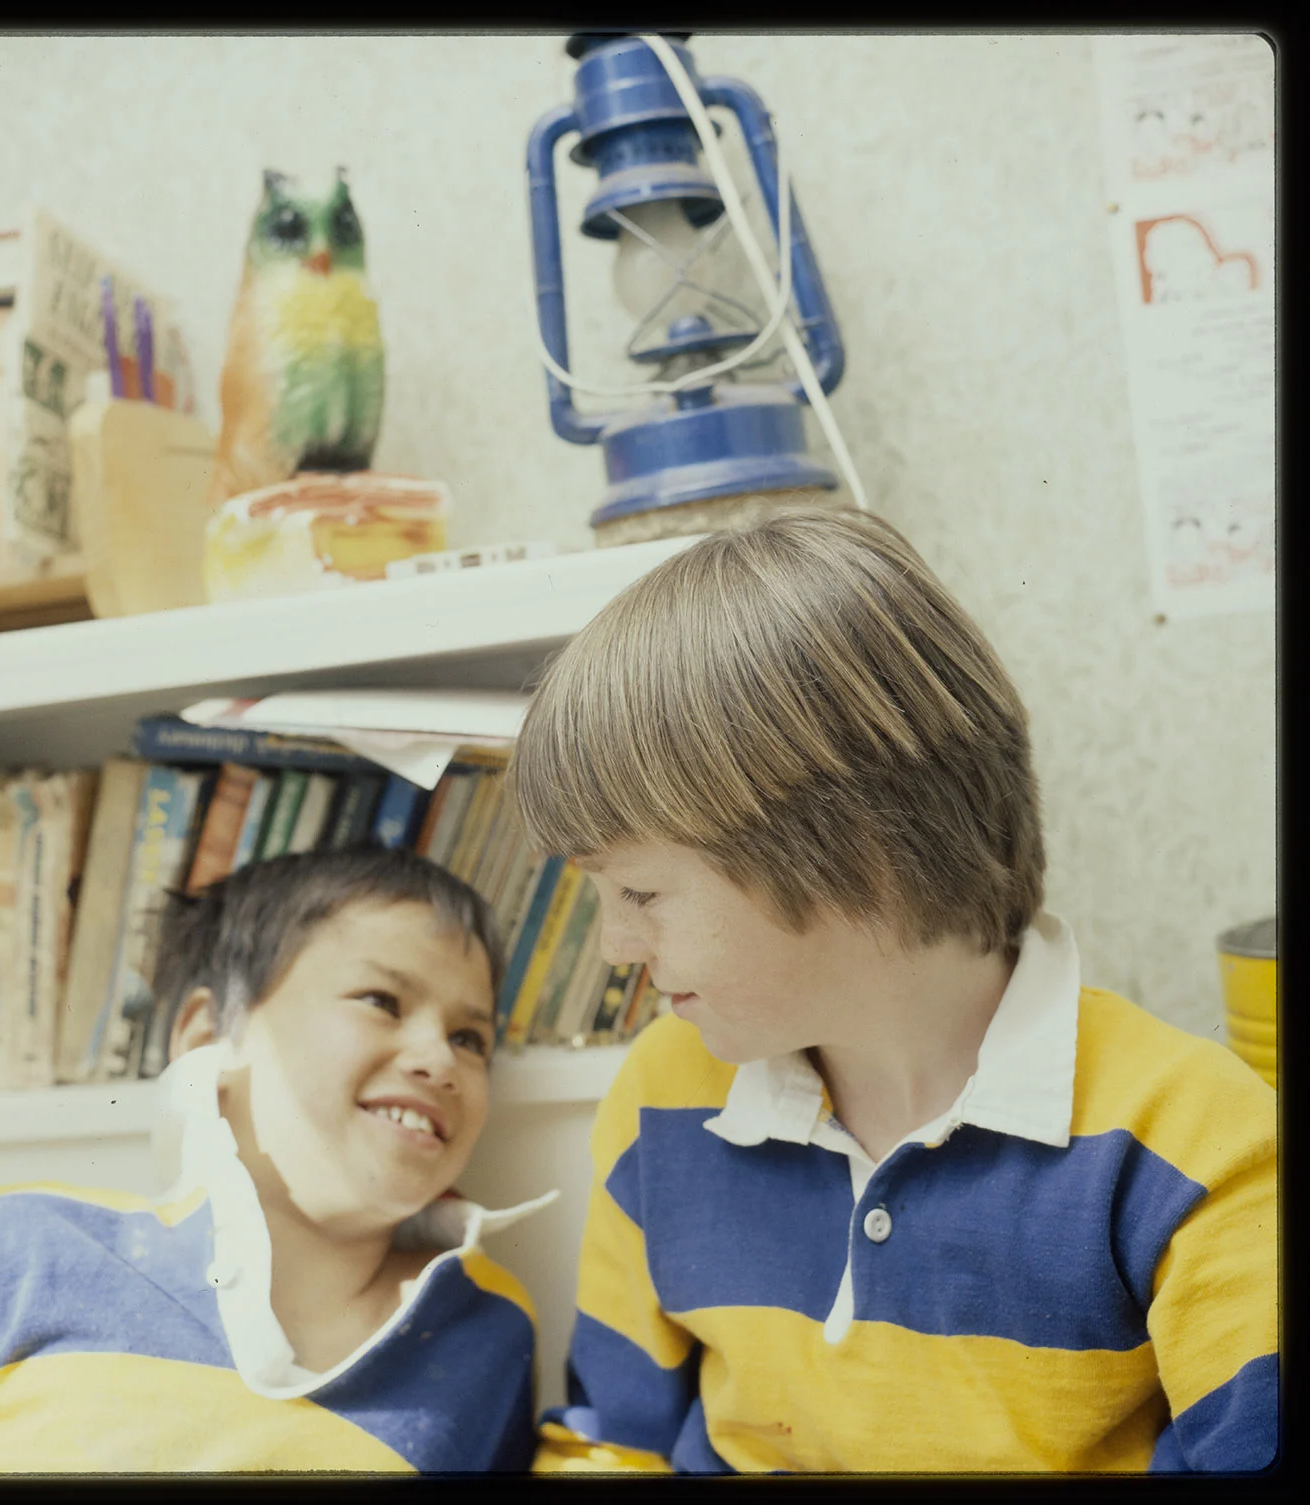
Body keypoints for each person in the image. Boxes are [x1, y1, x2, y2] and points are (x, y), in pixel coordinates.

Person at [506, 507, 1278, 1474]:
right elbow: (612, 1441)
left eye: (642, 890)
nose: (617, 944)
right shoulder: (663, 1094)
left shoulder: (1200, 1145)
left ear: (851, 849)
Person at [0, 847, 554, 1475]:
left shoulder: (488, 1330)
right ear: (210, 1034)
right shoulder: (7, 1249)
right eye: (382, 999)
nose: (438, 1058)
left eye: (470, 1037)